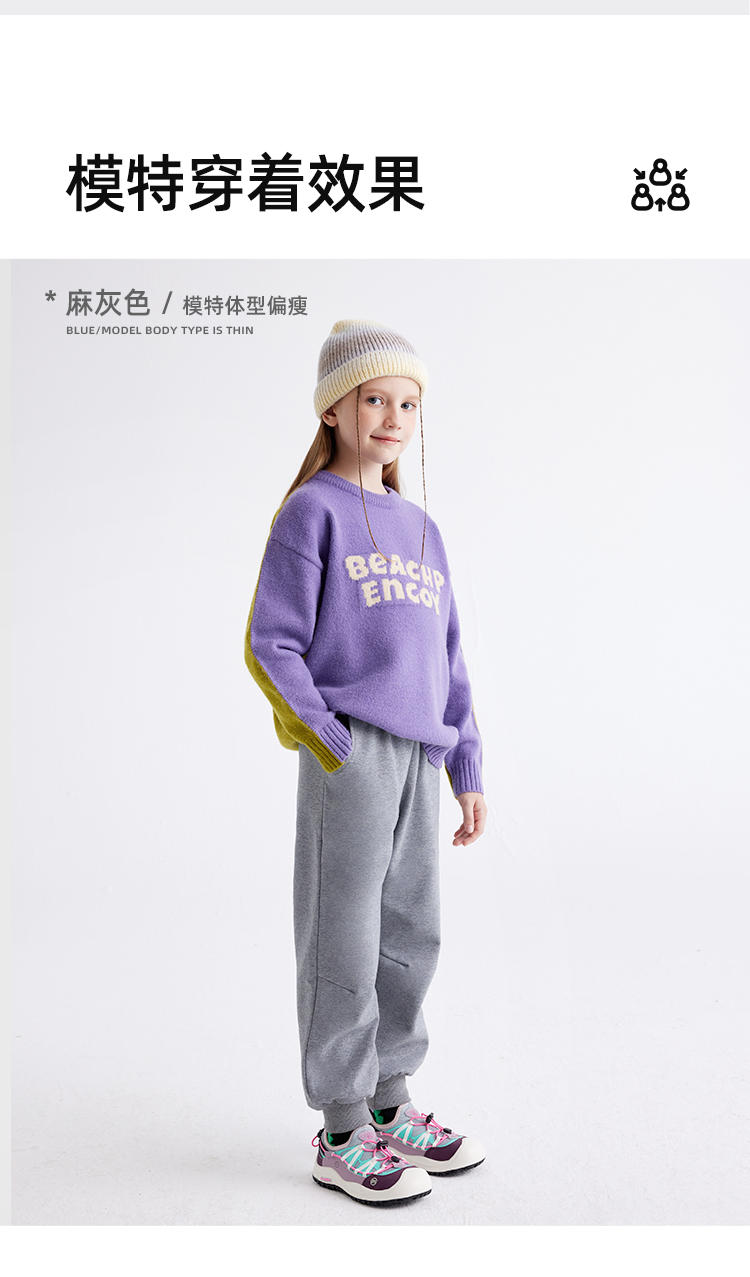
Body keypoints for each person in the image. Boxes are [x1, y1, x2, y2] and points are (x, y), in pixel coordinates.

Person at [245, 319, 488, 1208]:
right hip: (351, 754)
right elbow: (270, 641)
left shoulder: (422, 528)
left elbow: (448, 658)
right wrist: (325, 732)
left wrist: (466, 763)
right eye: (375, 398)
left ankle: (392, 1101)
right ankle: (342, 1126)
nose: (393, 417)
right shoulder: (311, 512)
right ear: (334, 409)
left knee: (412, 932)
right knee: (342, 934)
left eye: (408, 403)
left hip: (420, 757)